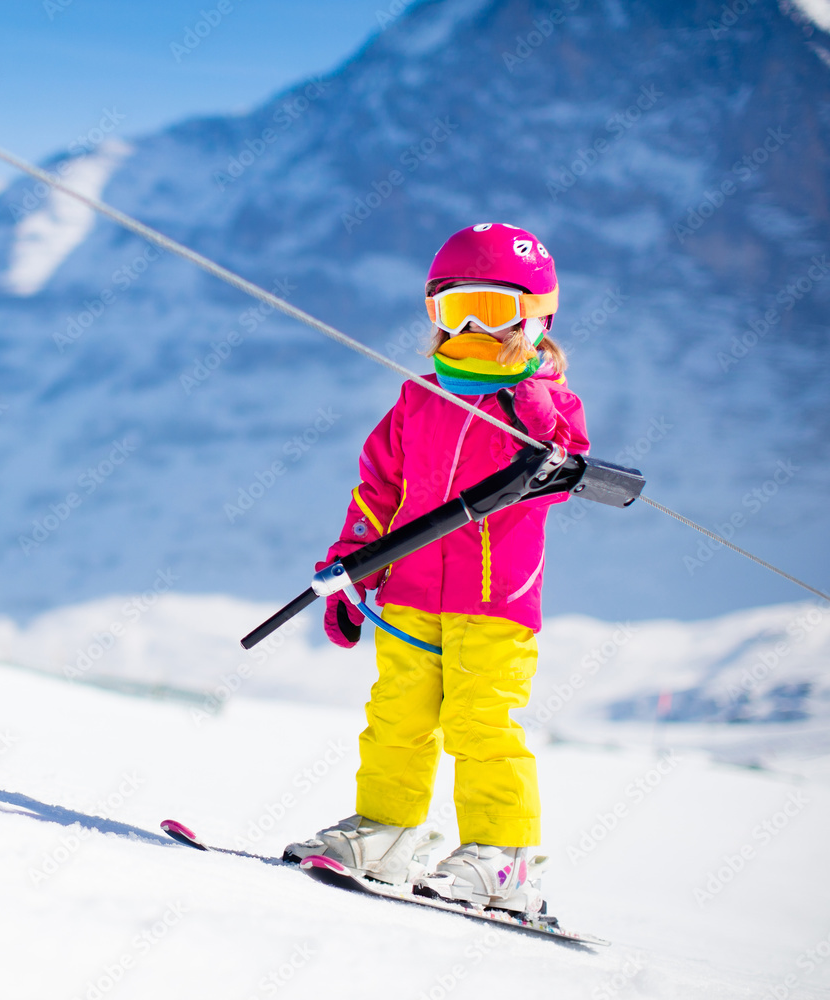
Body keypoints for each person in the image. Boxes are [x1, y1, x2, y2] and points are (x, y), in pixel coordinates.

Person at [284, 223, 590, 914]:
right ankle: (387, 832)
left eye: (496, 309)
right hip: (411, 590)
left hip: (495, 601)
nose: (475, 326)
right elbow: (377, 491)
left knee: (484, 724)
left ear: (537, 318)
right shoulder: (420, 398)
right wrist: (351, 567)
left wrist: (530, 386)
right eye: (457, 310)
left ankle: (503, 856)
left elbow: (565, 458)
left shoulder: (545, 404)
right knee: (396, 717)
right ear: (435, 316)